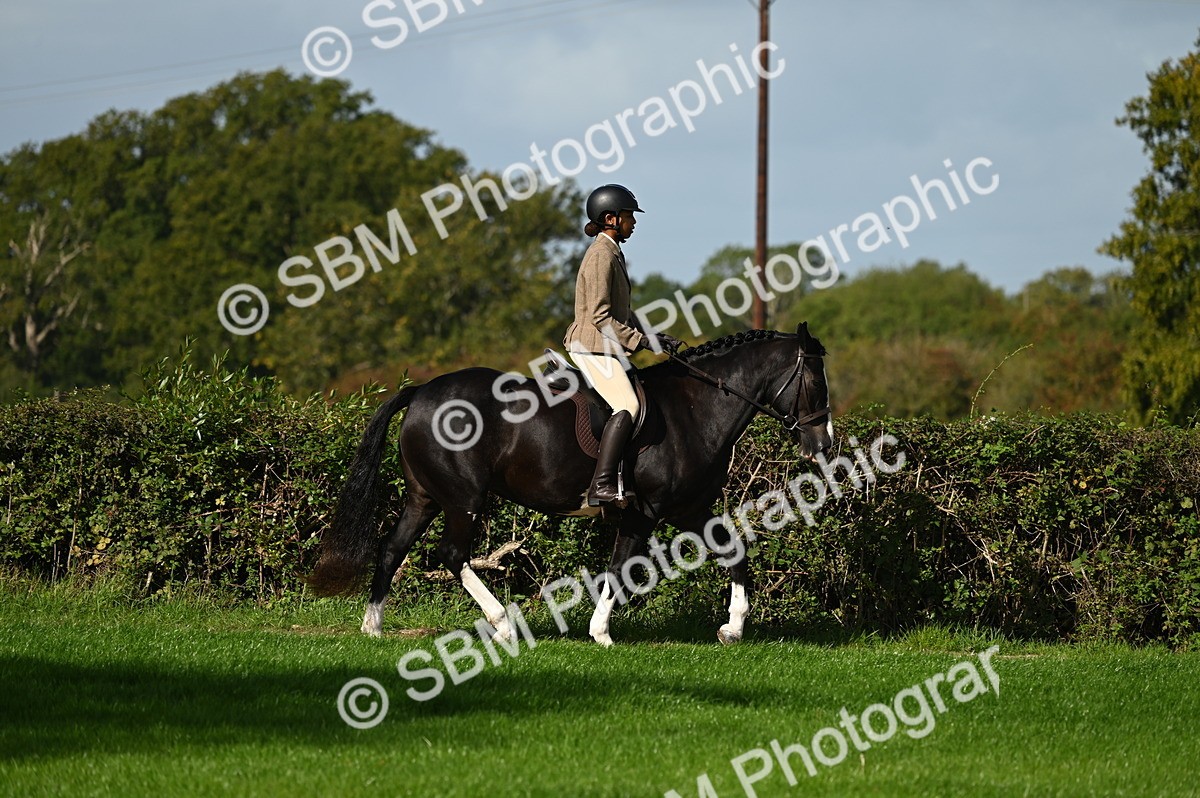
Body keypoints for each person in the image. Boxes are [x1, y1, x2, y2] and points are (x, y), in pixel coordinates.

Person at [564, 184, 682, 506]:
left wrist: (654, 335)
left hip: (604, 345)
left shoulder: (613, 252)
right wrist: (641, 342)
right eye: (629, 216)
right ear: (611, 218)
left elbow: (622, 313)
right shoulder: (601, 255)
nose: (634, 222)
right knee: (627, 406)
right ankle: (600, 485)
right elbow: (601, 316)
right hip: (590, 345)